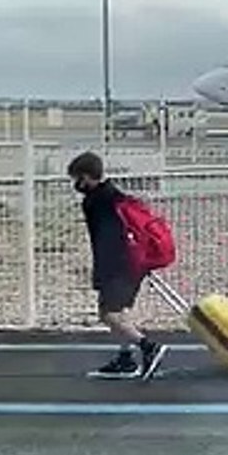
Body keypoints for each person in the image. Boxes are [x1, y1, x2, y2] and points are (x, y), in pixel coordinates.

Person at [67, 151, 168, 380]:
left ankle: (148, 347)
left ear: (86, 176)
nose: (77, 184)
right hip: (133, 262)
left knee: (108, 314)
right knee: (121, 313)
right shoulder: (115, 195)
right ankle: (125, 358)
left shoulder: (96, 201)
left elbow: (108, 238)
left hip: (117, 266)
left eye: (78, 179)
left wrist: (103, 271)